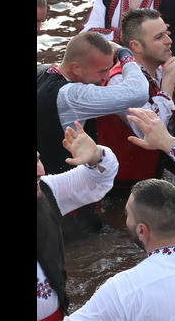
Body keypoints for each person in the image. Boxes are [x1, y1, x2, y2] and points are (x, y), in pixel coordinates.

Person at [67, 108, 175, 320]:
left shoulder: (125, 290)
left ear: (142, 230)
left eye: (127, 214)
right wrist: (169, 143)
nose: (126, 219)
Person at [97, 9, 175, 191]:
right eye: (159, 37)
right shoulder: (119, 80)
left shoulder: (163, 69)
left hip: (148, 175)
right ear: (136, 46)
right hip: (116, 185)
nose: (169, 41)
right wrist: (167, 87)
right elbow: (148, 132)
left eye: (167, 34)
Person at [37, 123, 119, 321]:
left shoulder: (46, 190)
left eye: (38, 159)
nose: (41, 170)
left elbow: (100, 179)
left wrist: (95, 156)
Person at [37, 32, 145, 179]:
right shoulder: (72, 96)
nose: (107, 77)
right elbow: (137, 93)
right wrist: (124, 53)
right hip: (63, 190)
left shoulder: (41, 71)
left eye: (109, 69)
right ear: (76, 68)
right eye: (101, 71)